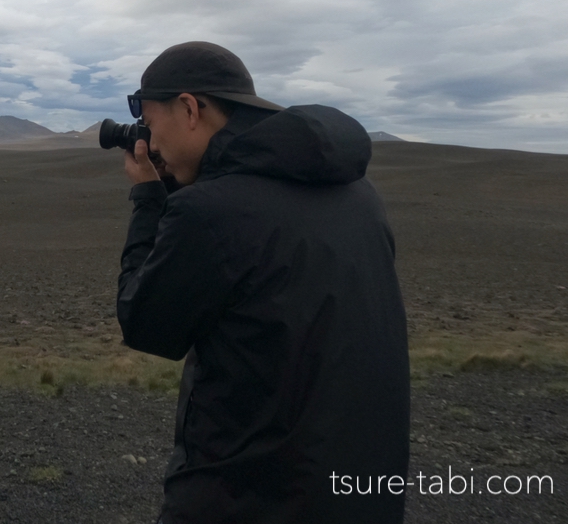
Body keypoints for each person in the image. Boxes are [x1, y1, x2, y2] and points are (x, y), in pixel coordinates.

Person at [117, 41, 409, 524]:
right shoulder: (358, 192)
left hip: (245, 497)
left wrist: (150, 199)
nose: (151, 142)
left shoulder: (209, 211)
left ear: (189, 108)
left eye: (151, 124)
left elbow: (145, 324)